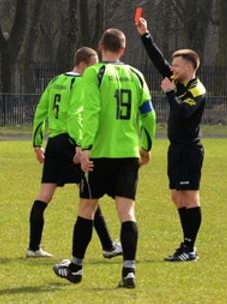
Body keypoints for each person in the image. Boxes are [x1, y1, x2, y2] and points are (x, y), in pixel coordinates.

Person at [52, 28, 156, 288]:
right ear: (123, 49)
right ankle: (129, 271)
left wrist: (84, 147)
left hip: (99, 154)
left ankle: (75, 267)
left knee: (87, 209)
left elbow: (92, 113)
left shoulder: (93, 74)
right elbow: (150, 115)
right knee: (127, 212)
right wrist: (146, 145)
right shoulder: (136, 75)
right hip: (128, 153)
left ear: (100, 46)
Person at [28, 47, 122, 259]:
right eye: (93, 64)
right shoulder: (81, 83)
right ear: (82, 64)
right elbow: (75, 116)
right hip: (72, 144)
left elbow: (40, 111)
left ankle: (33, 247)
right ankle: (108, 246)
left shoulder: (55, 81)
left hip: (53, 142)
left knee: (44, 195)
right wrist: (80, 146)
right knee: (90, 193)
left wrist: (36, 143)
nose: (96, 68)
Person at [136, 18, 206, 263]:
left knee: (189, 196)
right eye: (173, 65)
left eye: (177, 65)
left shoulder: (197, 90)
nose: (172, 69)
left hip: (189, 150)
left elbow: (182, 113)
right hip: (175, 149)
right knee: (177, 196)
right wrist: (146, 35)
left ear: (189, 67)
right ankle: (187, 245)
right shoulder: (177, 81)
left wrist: (167, 92)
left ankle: (189, 247)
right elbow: (158, 61)